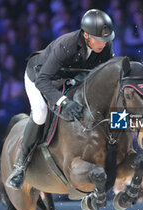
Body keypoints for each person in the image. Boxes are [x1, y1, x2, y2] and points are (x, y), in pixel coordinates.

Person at [6, 9, 115, 190]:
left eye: (106, 39)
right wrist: (64, 102)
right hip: (39, 77)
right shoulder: (67, 45)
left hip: (69, 79)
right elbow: (43, 80)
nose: (103, 44)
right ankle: (21, 165)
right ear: (86, 35)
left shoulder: (105, 46)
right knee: (40, 113)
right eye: (99, 39)